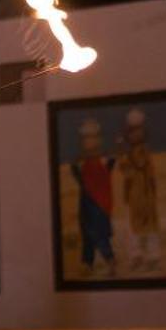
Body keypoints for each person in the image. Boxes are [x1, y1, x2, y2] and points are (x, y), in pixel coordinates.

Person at [69, 118, 116, 276]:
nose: (89, 142)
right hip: (86, 204)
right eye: (86, 139)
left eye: (93, 138)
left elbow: (109, 167)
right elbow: (79, 178)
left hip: (100, 204)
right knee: (87, 236)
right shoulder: (82, 161)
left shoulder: (103, 159)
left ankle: (110, 261)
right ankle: (87, 263)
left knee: (100, 235)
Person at [118, 109, 162, 272]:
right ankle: (137, 256)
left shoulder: (142, 152)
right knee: (134, 227)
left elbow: (140, 167)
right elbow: (126, 171)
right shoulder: (131, 153)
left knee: (149, 227)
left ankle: (153, 257)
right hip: (135, 195)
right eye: (132, 132)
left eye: (139, 132)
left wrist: (123, 153)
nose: (135, 135)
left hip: (145, 193)